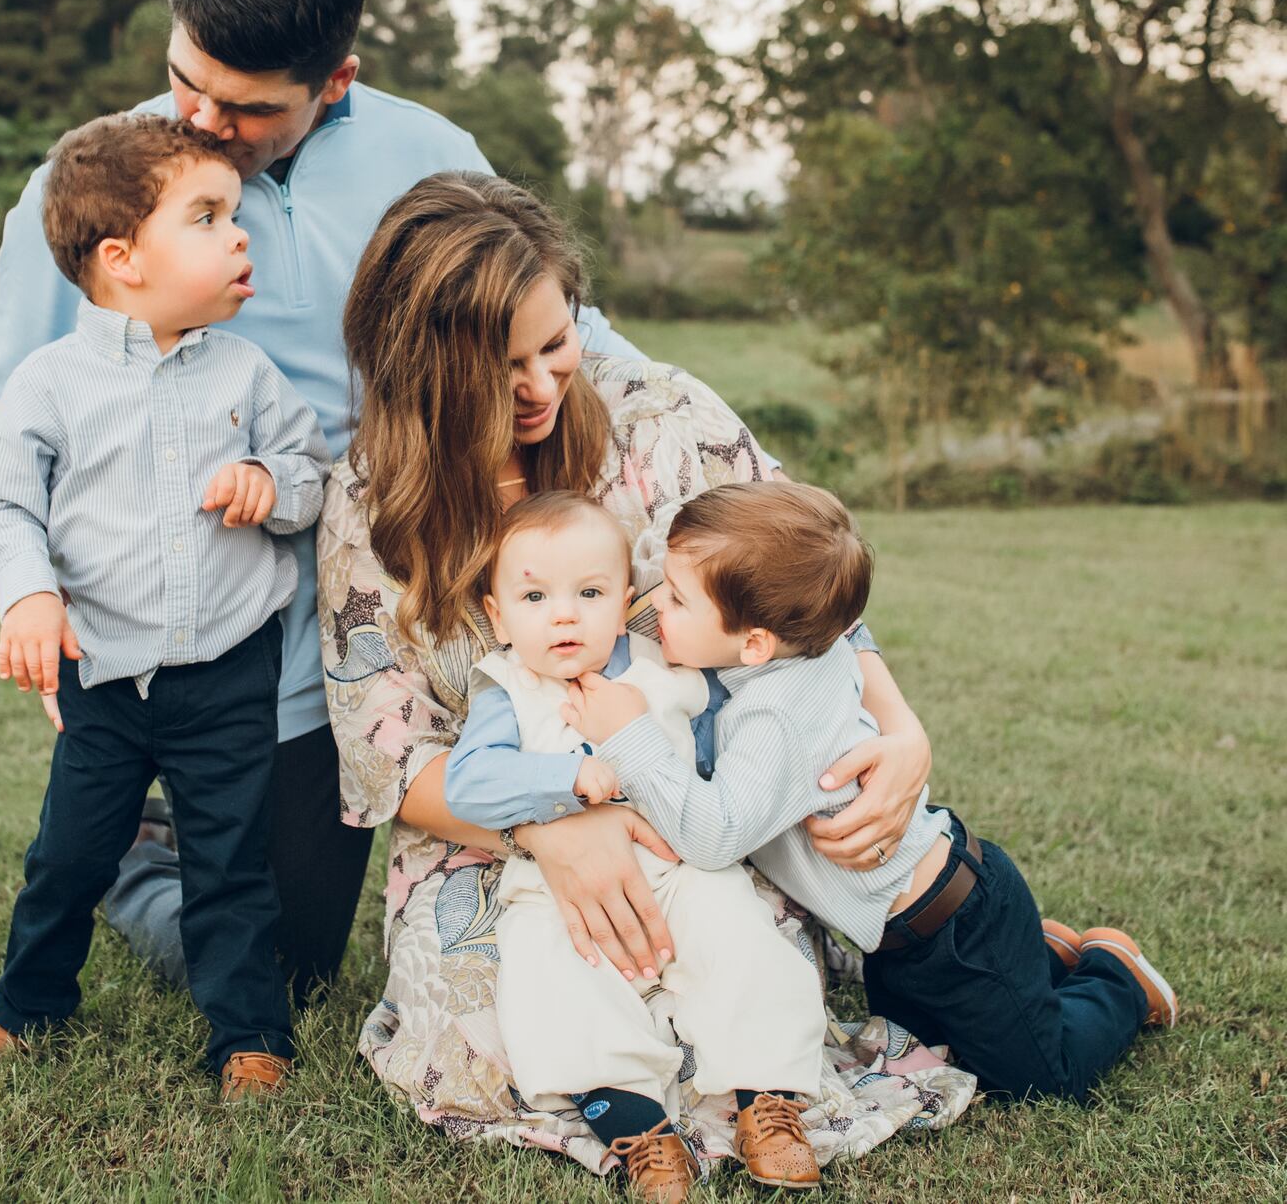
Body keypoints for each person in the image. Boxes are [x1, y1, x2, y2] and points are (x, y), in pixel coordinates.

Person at [0, 0, 638, 1004]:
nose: (204, 120)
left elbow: (560, 323)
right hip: (202, 631)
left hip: (383, 606)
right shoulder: (94, 182)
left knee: (314, 946)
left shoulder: (429, 154)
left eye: (248, 107)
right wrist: (29, 586)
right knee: (269, 971)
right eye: (186, 80)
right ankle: (132, 844)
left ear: (336, 81)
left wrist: (703, 432)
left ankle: (162, 827)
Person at [318, 171, 975, 1183]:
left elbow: (803, 591)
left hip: (695, 802)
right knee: (493, 1045)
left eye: (556, 342)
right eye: (503, 368)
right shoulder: (370, 507)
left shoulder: (661, 419)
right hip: (490, 828)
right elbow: (389, 758)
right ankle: (638, 1112)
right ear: (422, 369)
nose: (542, 385)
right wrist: (553, 826)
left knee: (741, 977)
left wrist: (902, 727)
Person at [566, 481, 1176, 1106]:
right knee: (940, 1047)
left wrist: (628, 735)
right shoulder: (806, 644)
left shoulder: (776, 715)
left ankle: (1116, 976)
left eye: (675, 597)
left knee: (1043, 1080)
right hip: (906, 933)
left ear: (754, 641)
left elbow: (714, 836)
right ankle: (1040, 957)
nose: (650, 602)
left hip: (952, 929)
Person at [0, 113, 330, 1095]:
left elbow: (311, 472)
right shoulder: (50, 383)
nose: (239, 234)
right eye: (207, 216)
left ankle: (249, 1034)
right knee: (68, 855)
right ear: (121, 257)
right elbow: (5, 506)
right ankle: (28, 1001)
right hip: (105, 678)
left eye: (237, 214)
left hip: (227, 671)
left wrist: (267, 478)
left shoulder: (246, 374)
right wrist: (29, 595)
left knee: (230, 863)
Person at [446, 491, 825, 1199]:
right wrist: (564, 778)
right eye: (533, 596)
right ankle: (640, 1128)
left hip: (680, 867)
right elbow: (470, 783)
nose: (563, 614)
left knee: (746, 946)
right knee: (552, 983)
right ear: (497, 614)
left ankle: (765, 1102)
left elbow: (726, 749)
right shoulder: (508, 687)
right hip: (558, 889)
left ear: (624, 601)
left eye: (588, 592)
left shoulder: (668, 667)